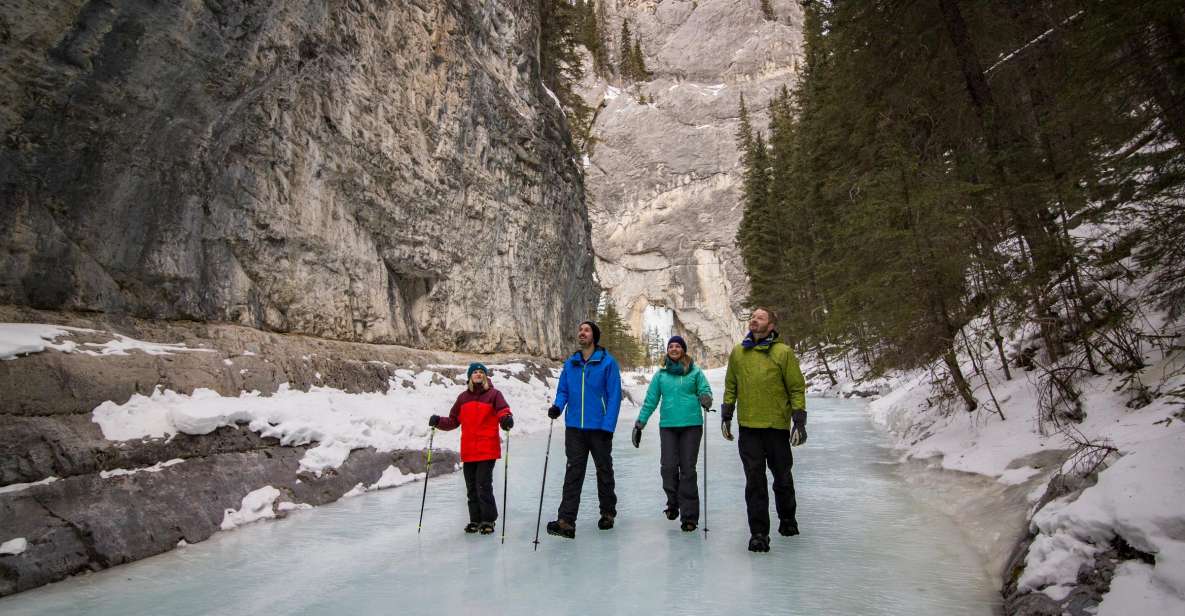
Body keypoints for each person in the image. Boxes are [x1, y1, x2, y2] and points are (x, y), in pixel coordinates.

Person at [720, 307, 808, 553]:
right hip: (748, 428)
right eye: (752, 317)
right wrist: (726, 415)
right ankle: (759, 533)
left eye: (760, 318)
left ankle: (787, 519)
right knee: (754, 482)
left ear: (770, 326)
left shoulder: (783, 352)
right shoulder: (738, 353)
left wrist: (799, 420)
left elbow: (796, 387)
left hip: (776, 427)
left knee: (782, 478)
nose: (753, 321)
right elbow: (731, 386)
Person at [544, 320, 622, 539]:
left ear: (594, 336)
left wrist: (608, 425)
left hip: (599, 428)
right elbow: (563, 391)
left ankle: (607, 513)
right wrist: (558, 406)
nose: (581, 333)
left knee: (604, 470)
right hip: (575, 428)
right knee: (573, 473)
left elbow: (615, 396)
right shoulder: (571, 364)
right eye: (579, 330)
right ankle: (566, 521)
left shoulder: (607, 363)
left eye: (586, 330)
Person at [631, 335, 713, 532]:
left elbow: (706, 390)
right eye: (671, 346)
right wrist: (640, 423)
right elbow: (651, 400)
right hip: (668, 426)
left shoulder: (695, 372)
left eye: (678, 346)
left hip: (691, 425)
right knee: (668, 467)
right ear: (667, 350)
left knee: (687, 470)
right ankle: (673, 503)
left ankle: (689, 517)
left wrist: (705, 398)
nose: (674, 349)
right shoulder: (661, 375)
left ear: (683, 350)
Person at [429, 363, 514, 535]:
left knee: (483, 484)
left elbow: (503, 410)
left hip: (487, 448)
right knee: (471, 487)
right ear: (469, 376)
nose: (478, 374)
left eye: (481, 372)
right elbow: (453, 421)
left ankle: (488, 520)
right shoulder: (462, 398)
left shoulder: (494, 395)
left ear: (485, 376)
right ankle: (475, 520)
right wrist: (438, 421)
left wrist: (506, 419)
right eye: (474, 372)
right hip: (469, 450)